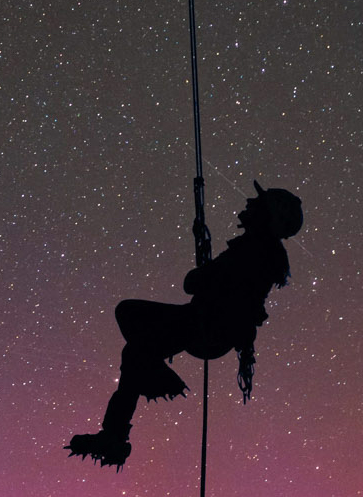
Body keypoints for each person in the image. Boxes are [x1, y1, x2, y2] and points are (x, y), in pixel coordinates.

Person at [68, 183, 304, 468]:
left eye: (256, 205)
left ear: (268, 216)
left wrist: (205, 271)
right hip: (210, 327)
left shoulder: (250, 252)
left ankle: (118, 429)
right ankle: (116, 431)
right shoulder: (260, 254)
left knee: (131, 324)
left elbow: (194, 283)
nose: (247, 207)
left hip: (206, 326)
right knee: (135, 347)